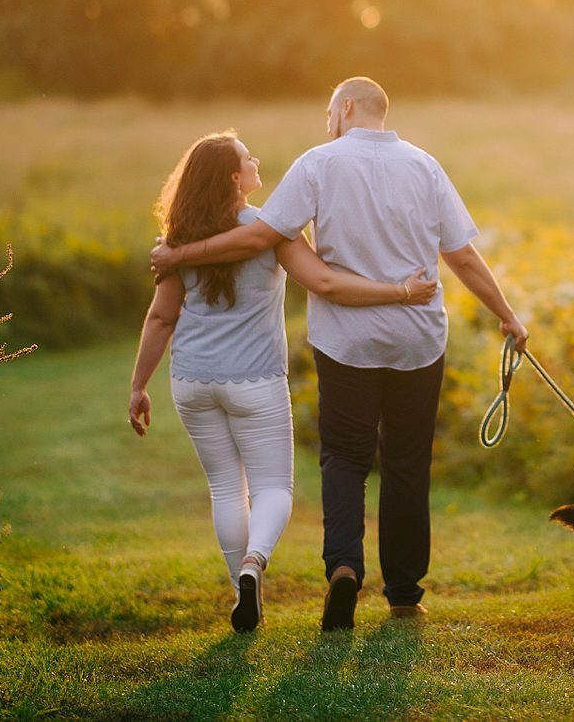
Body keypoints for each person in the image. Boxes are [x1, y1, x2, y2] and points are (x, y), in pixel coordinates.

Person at [151, 77, 528, 631]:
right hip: (417, 340)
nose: (327, 120)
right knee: (406, 462)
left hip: (347, 342)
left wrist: (178, 252)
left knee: (345, 458)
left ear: (346, 107)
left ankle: (344, 568)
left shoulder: (317, 164)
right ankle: (403, 592)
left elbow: (260, 238)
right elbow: (463, 256)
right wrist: (507, 314)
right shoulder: (425, 166)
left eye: (330, 110)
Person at [128, 130, 437, 634]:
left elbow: (161, 319)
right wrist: (400, 290)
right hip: (255, 380)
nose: (256, 160)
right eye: (248, 157)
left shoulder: (176, 241)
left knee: (226, 488)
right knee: (273, 487)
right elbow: (326, 282)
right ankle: (254, 564)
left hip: (192, 382)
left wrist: (139, 386)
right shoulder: (271, 230)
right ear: (235, 178)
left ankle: (242, 593)